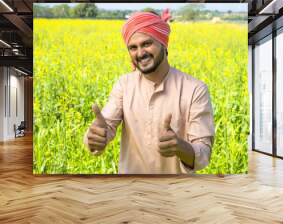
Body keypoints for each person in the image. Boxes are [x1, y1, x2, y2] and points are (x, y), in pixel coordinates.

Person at [84, 9, 215, 174]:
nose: (140, 53)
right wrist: (96, 138)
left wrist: (180, 147)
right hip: (131, 192)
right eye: (133, 47)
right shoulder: (124, 84)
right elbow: (105, 126)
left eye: (146, 44)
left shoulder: (195, 89)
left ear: (163, 43)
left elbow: (204, 154)